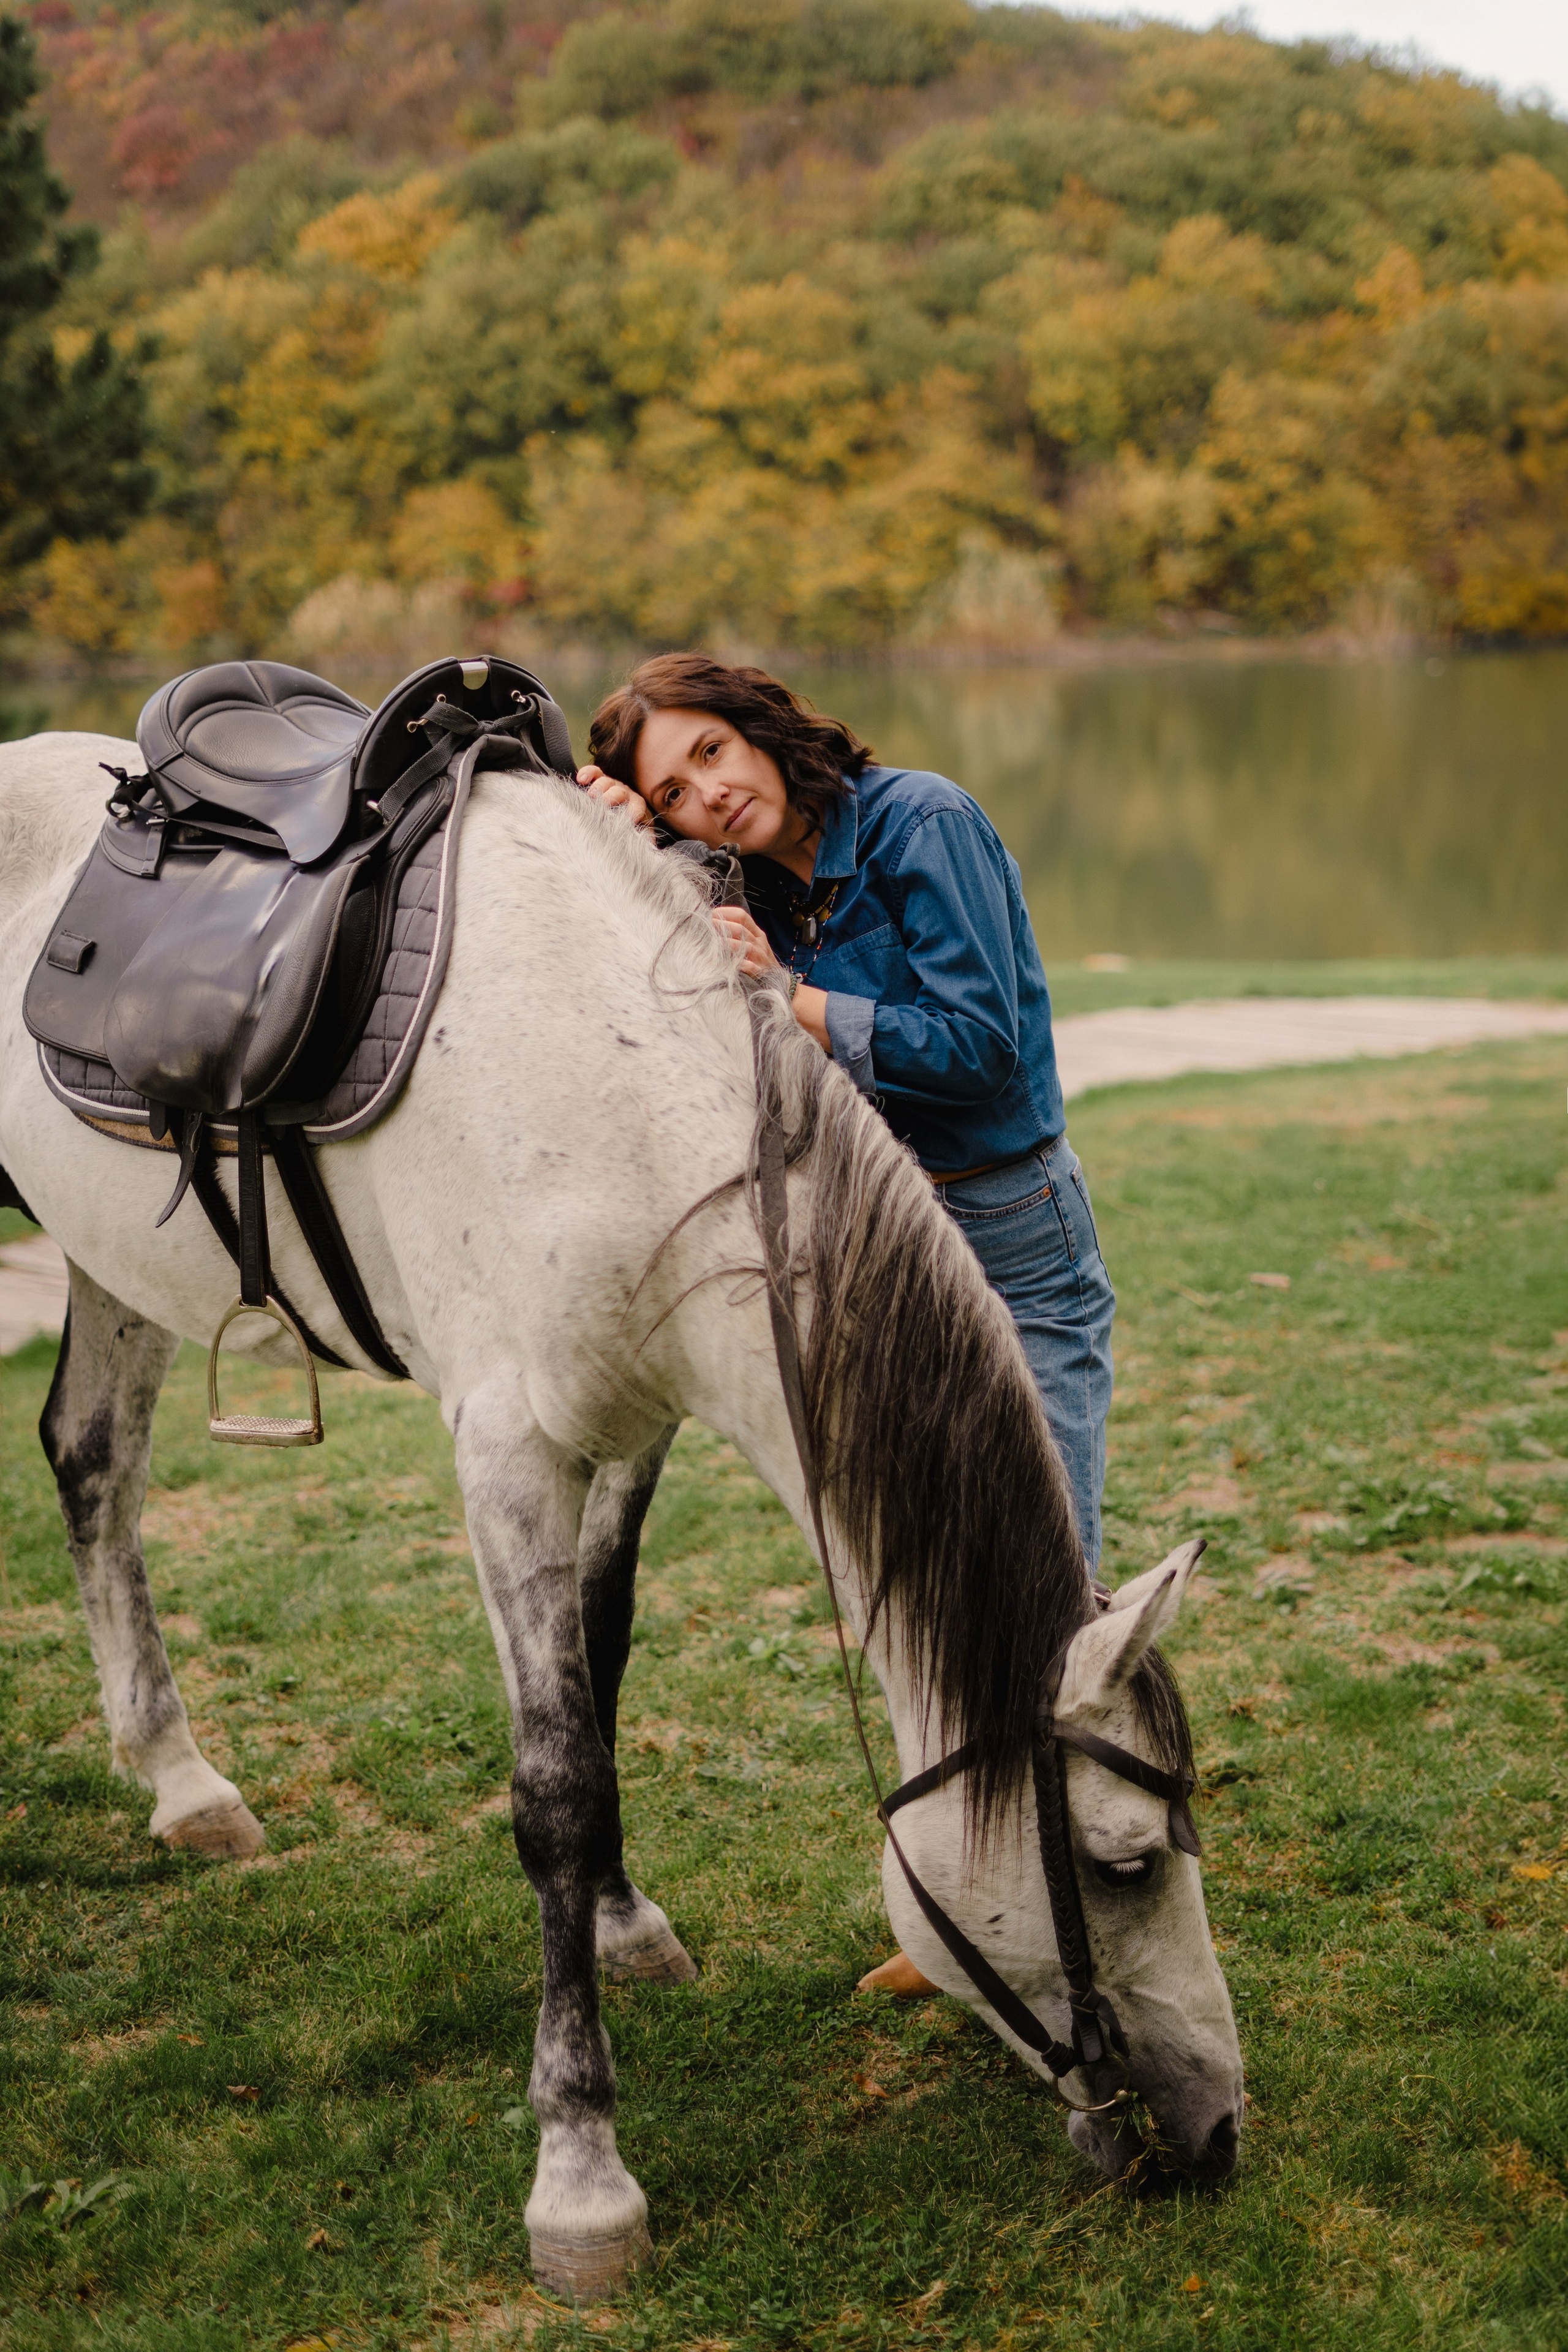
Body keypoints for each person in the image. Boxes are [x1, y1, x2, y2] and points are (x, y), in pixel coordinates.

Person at [578, 655, 1114, 1996]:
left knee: (1041, 1592)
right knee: (929, 1584)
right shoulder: (735, 881)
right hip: (871, 1247)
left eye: (712, 753)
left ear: (760, 726)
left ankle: (1097, 1887)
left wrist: (793, 996)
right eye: (672, 790)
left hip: (1005, 1225)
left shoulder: (917, 820)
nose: (708, 793)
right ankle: (962, 1918)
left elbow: (981, 1047)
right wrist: (611, 835)